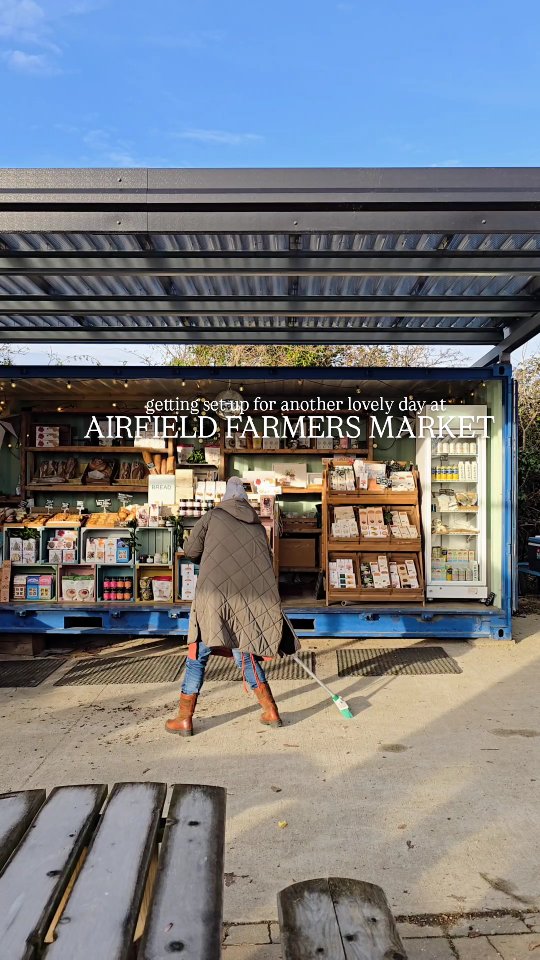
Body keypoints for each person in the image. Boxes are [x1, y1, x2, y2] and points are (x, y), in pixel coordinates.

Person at [165, 476, 298, 737]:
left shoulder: (213, 516)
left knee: (197, 656)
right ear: (247, 501)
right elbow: (264, 564)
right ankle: (270, 710)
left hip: (213, 598)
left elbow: (191, 550)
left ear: (225, 498)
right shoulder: (258, 526)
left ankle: (184, 718)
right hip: (246, 601)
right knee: (245, 654)